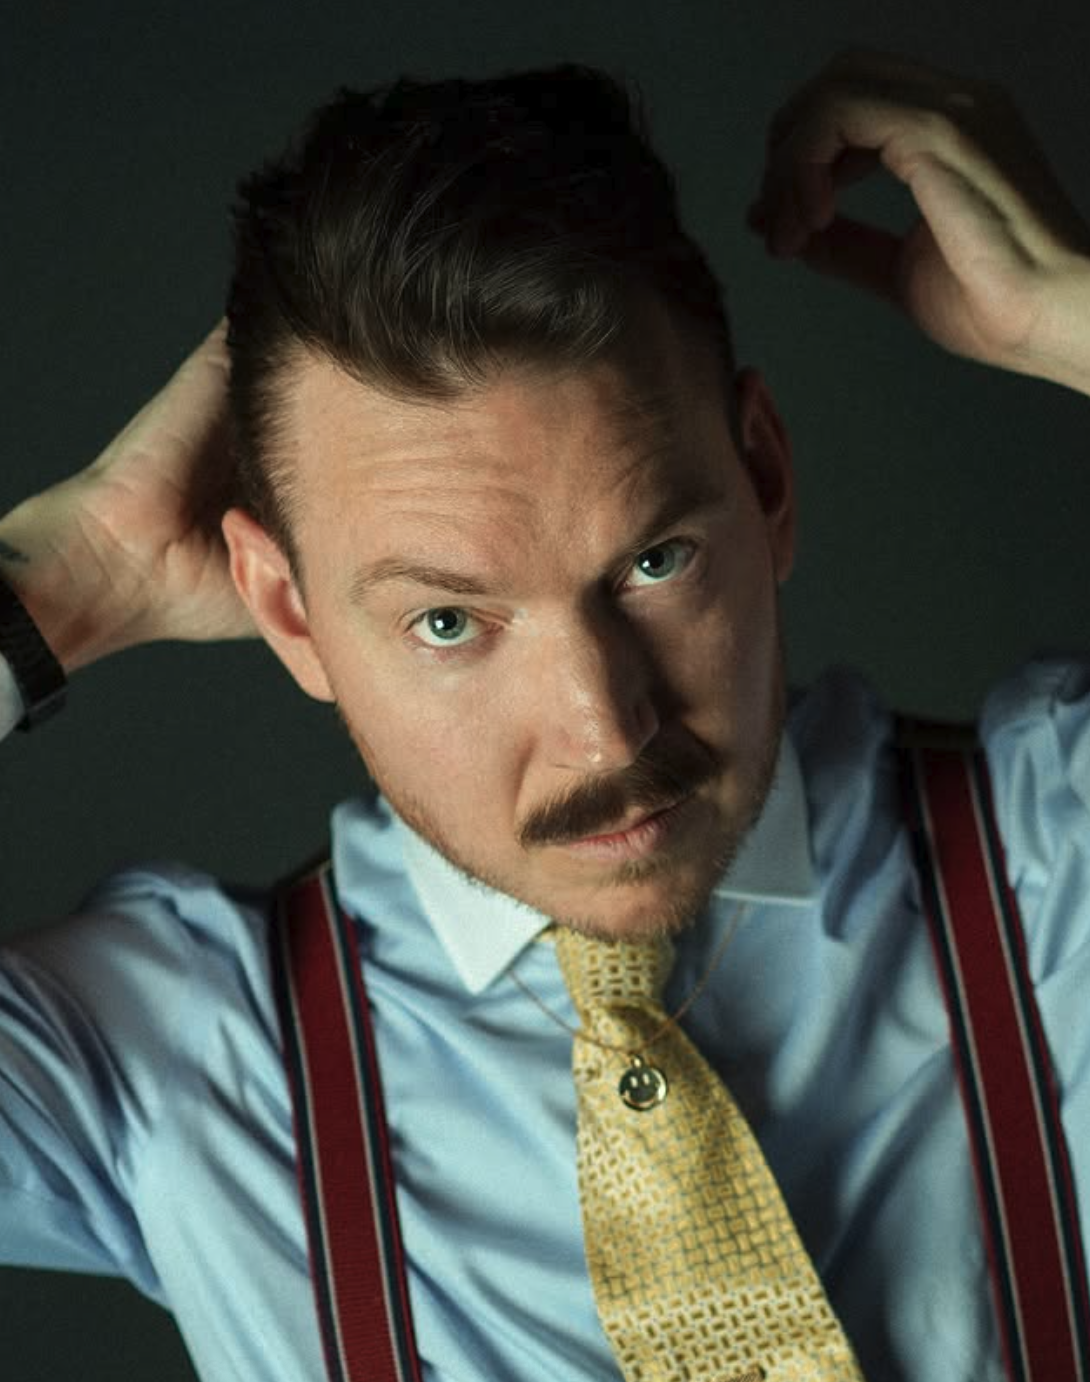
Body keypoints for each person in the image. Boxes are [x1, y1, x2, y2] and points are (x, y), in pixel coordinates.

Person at [2, 46, 1089, 1382]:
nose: (604, 731)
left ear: (764, 481)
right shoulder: (174, 1061)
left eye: (654, 562)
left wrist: (1072, 316)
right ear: (290, 614)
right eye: (449, 622)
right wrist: (64, 586)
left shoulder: (1056, 860)